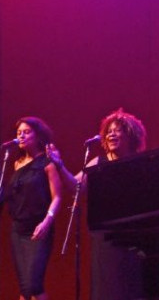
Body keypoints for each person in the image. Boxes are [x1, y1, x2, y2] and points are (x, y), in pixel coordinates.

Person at [52, 108, 147, 300]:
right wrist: (59, 165)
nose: (112, 134)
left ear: (130, 135)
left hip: (131, 233)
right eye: (109, 131)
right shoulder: (98, 161)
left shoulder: (139, 163)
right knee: (106, 287)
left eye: (117, 130)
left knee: (129, 287)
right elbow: (76, 186)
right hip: (104, 234)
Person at [6, 117, 64, 300]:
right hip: (18, 230)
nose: (21, 136)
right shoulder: (16, 164)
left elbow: (58, 197)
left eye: (26, 132)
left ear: (38, 136)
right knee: (25, 287)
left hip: (39, 228)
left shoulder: (47, 163)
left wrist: (47, 220)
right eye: (18, 133)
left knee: (33, 283)